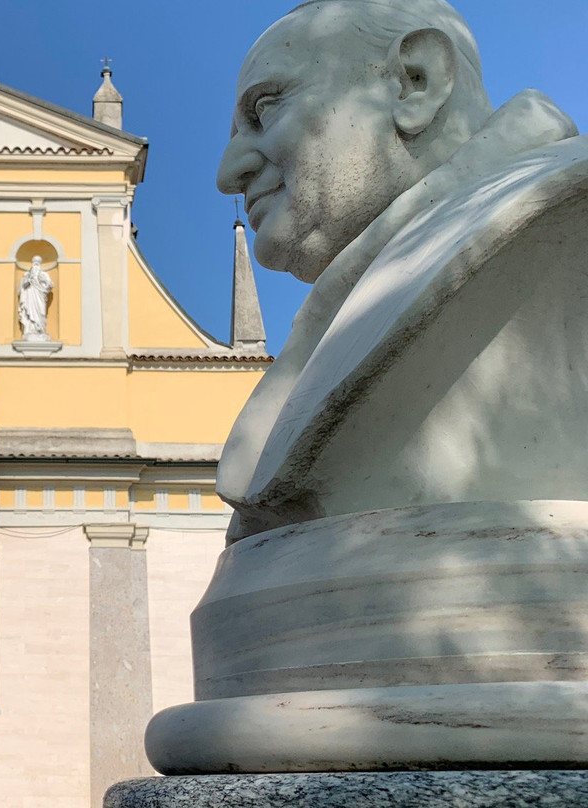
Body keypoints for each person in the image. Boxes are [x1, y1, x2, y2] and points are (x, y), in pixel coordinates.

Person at [214, 0, 585, 539]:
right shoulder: (352, 299)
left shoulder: (564, 229)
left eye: (266, 109)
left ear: (416, 83)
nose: (228, 174)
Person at [17, 255, 53, 341]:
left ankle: (40, 330)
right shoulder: (27, 275)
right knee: (30, 312)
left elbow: (50, 286)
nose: (36, 265)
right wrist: (28, 279)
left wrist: (44, 281)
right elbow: (21, 288)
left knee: (41, 312)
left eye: (38, 263)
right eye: (34, 263)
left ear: (40, 265)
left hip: (40, 296)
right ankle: (30, 329)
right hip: (30, 296)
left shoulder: (44, 274)